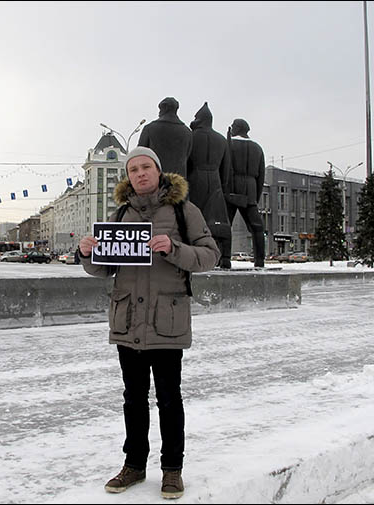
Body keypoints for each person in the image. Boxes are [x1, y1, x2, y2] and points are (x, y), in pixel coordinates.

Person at [78, 146, 221, 499]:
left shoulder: (183, 210)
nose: (140, 174)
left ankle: (172, 470)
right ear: (129, 177)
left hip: (167, 320)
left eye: (146, 167)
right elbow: (103, 268)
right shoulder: (120, 214)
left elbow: (209, 255)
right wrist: (86, 254)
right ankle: (134, 466)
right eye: (134, 169)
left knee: (170, 399)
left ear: (158, 171)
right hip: (128, 321)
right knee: (133, 398)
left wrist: (173, 248)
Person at [187, 102, 232, 268]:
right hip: (215, 181)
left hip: (195, 179)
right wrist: (223, 188)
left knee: (194, 218)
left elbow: (186, 162)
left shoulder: (190, 136)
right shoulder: (221, 140)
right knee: (217, 219)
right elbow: (226, 168)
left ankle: (197, 252)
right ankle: (224, 257)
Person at [222, 118, 266, 268]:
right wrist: (255, 196)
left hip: (232, 188)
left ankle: (225, 259)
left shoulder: (229, 145)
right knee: (257, 227)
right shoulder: (257, 148)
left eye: (234, 126)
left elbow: (223, 168)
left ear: (239, 128)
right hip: (251, 189)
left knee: (226, 224)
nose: (232, 128)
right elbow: (261, 176)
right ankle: (260, 260)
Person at [138, 97, 192, 178]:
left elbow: (139, 155)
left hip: (154, 181)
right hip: (178, 183)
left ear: (165, 108)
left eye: (160, 109)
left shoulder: (149, 128)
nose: (159, 113)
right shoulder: (187, 132)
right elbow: (187, 156)